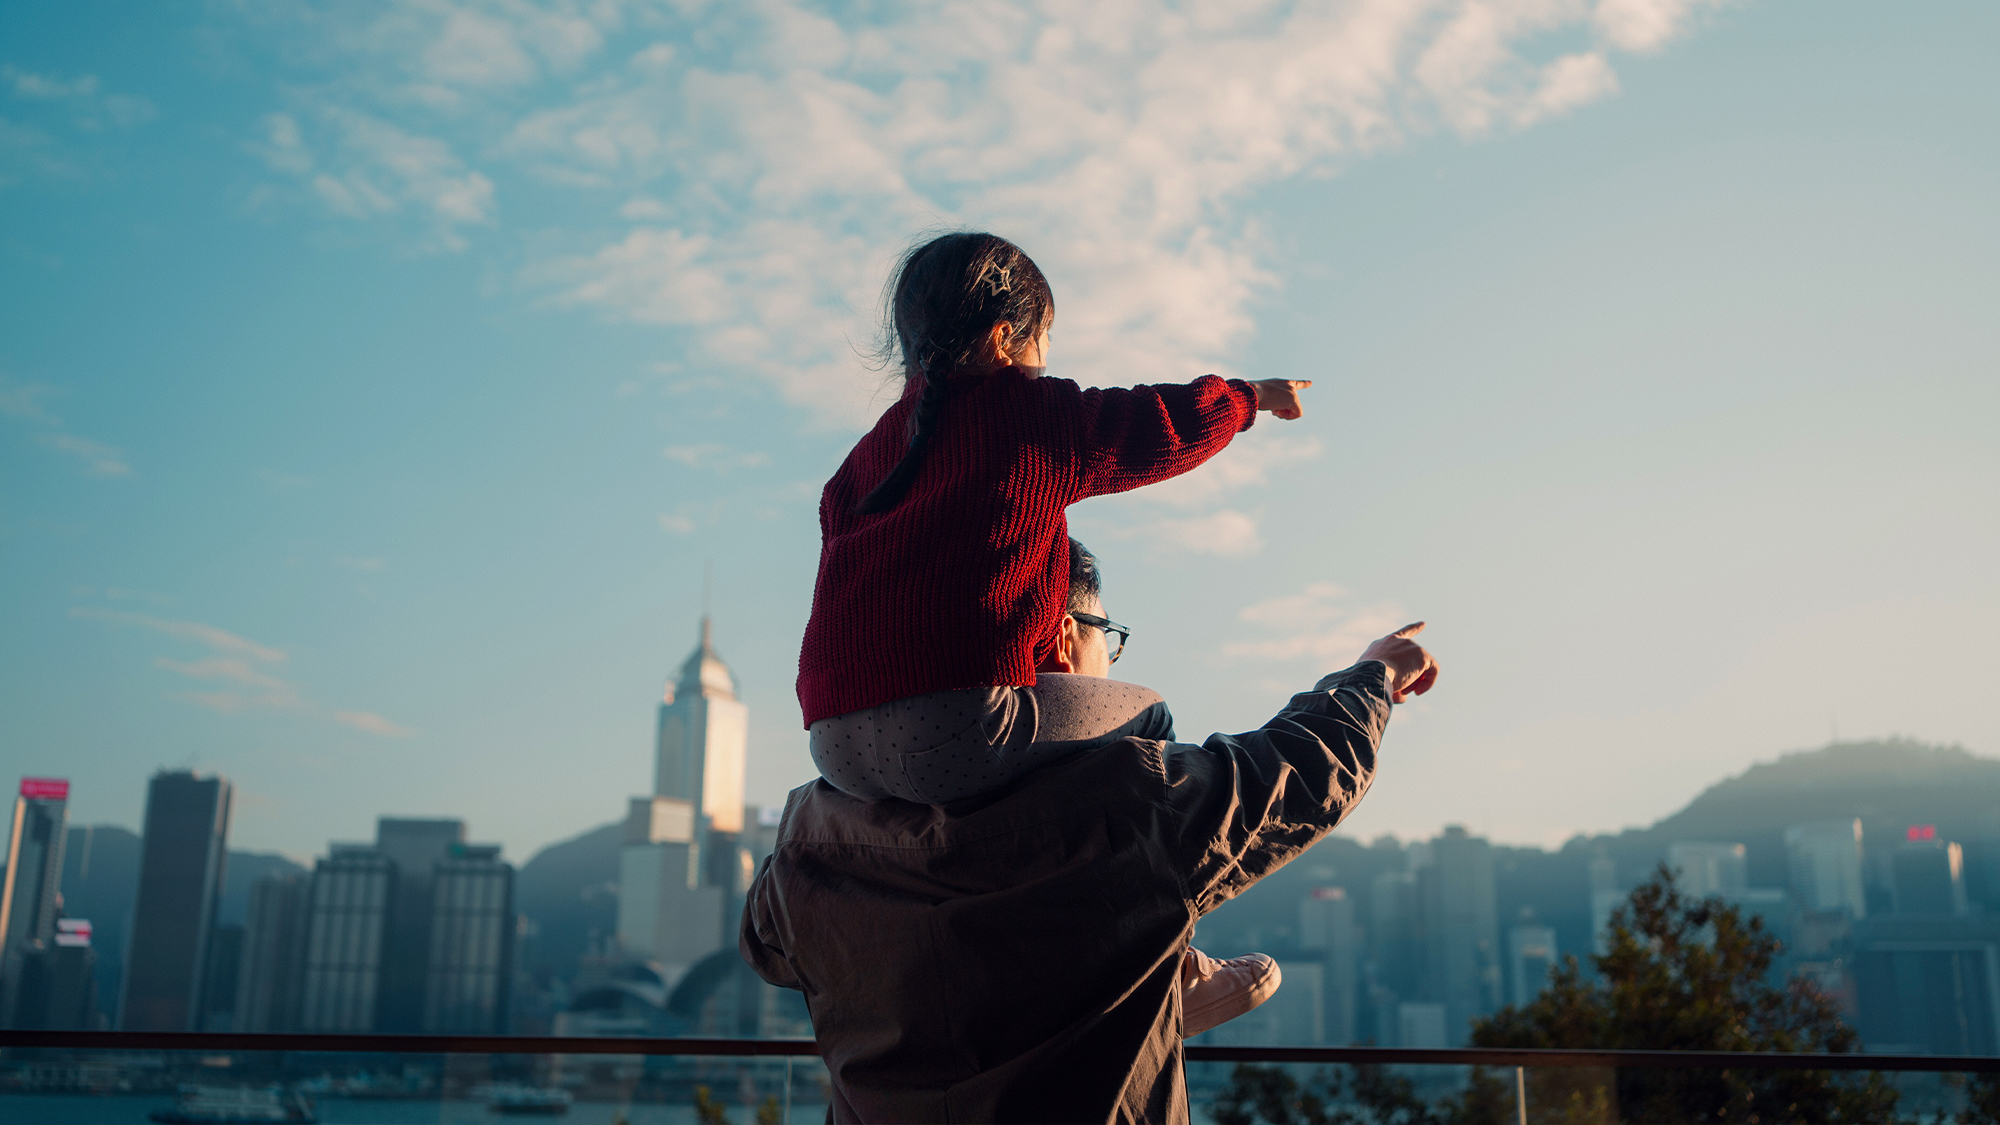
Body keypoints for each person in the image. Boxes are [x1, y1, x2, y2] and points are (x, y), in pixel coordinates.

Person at [745, 539, 1440, 1124]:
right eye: (1107, 635)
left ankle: (1158, 981)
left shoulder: (809, 831)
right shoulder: (1133, 796)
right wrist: (1372, 674)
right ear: (1061, 636)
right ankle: (1159, 983)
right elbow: (1301, 771)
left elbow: (768, 951)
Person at [798, 232, 1311, 805]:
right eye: (1045, 339)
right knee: (1147, 716)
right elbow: (1163, 425)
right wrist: (1250, 396)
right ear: (1003, 339)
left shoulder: (859, 462)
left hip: (833, 744)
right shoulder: (1030, 414)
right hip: (957, 726)